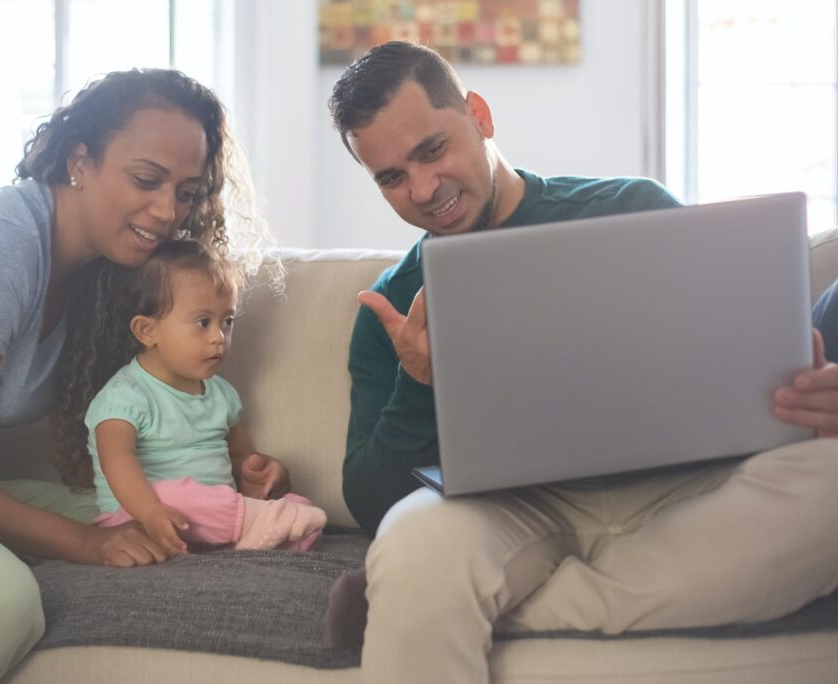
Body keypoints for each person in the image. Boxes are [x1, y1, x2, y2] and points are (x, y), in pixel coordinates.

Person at [324, 42, 838, 683]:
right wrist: (418, 381)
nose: (424, 189)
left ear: (480, 115)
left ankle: (469, 610)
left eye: (432, 150)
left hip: (684, 495)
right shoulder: (393, 306)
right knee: (411, 546)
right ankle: (430, 596)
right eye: (391, 177)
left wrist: (805, 395)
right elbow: (371, 501)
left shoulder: (629, 208)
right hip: (506, 513)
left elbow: (745, 374)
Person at [0, 68, 286, 684]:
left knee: (131, 513)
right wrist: (84, 546)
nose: (168, 211)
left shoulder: (100, 276)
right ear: (79, 161)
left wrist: (230, 478)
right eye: (146, 179)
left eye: (189, 191)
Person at [54, 238, 326, 554]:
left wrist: (256, 474)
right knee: (177, 496)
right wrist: (149, 511)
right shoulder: (124, 396)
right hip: (139, 521)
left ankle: (258, 536)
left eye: (228, 321)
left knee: (298, 505)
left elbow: (240, 456)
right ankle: (260, 526)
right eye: (203, 322)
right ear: (147, 331)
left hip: (213, 521)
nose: (219, 338)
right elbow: (116, 460)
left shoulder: (222, 394)